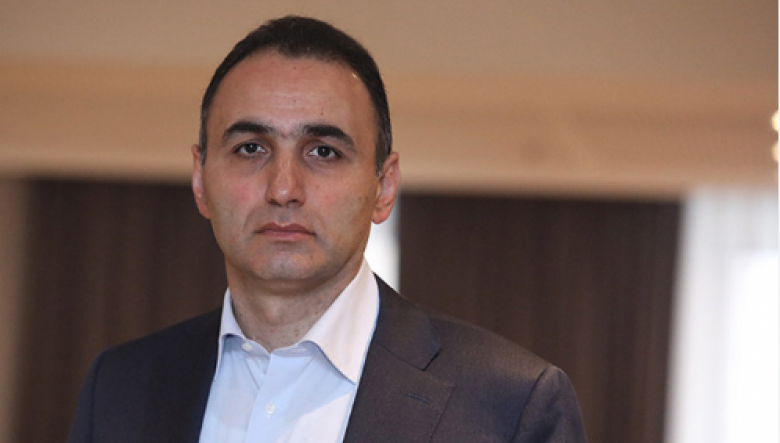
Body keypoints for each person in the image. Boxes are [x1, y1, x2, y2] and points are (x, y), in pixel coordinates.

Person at [68, 16, 586, 443]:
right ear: (201, 181)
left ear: (383, 187)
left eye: (323, 151)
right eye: (251, 148)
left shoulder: (511, 408)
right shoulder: (120, 387)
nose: (283, 188)